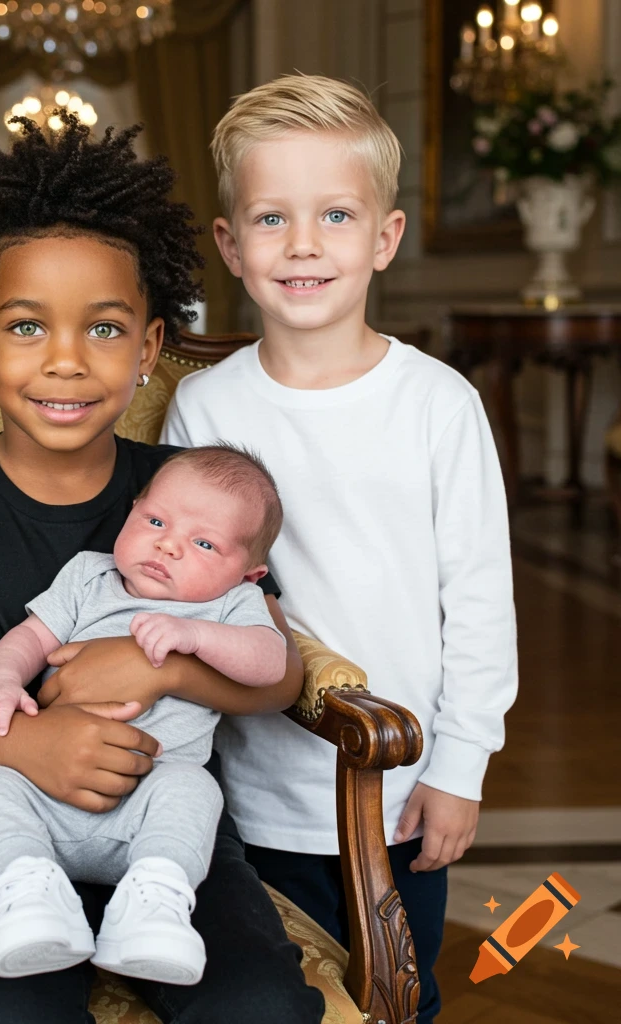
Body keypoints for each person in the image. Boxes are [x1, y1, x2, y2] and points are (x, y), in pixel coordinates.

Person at [0, 113, 325, 1024]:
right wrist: (25, 743)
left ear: (148, 348)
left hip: (166, 815)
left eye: (104, 328)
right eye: (27, 326)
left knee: (259, 1007)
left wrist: (161, 668)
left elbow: (279, 675)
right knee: (12, 1015)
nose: (64, 361)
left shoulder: (187, 496)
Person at [155, 74, 518, 1024]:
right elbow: (185, 583)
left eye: (336, 215)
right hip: (248, 792)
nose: (303, 244)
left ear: (384, 238)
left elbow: (480, 600)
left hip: (403, 787)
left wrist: (461, 768)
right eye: (271, 218)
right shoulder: (206, 406)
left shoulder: (438, 404)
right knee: (275, 999)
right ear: (230, 245)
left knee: (400, 996)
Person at [0, 445, 286, 984]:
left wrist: (195, 636)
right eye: (155, 521)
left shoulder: (231, 605)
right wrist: (0, 682)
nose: (168, 545)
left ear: (249, 574)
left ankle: (154, 905)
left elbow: (271, 663)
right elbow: (30, 638)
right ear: (132, 511)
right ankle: (29, 895)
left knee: (195, 789)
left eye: (204, 543)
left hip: (150, 806)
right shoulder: (89, 576)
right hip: (46, 791)